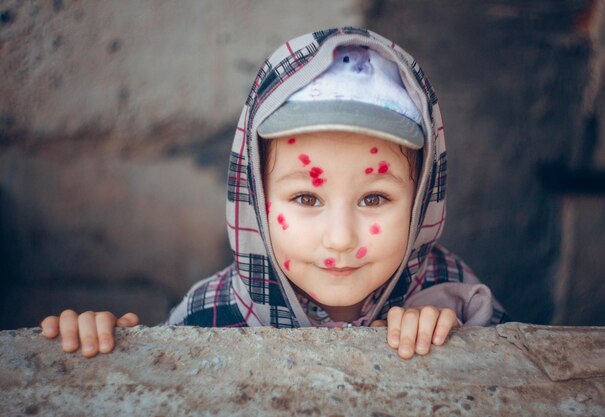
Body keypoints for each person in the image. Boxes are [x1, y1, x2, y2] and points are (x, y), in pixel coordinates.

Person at [41, 27, 508, 360]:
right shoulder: (210, 314)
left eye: (374, 198)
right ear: (256, 201)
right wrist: (102, 349)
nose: (341, 239)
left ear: (423, 199)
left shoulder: (455, 294)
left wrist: (451, 340)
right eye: (306, 198)